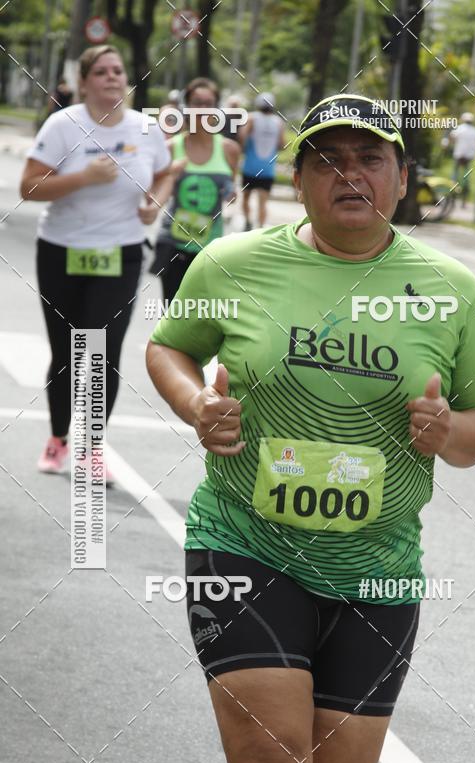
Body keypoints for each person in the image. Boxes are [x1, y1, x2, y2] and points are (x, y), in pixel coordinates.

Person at [146, 93, 475, 763]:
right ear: (297, 180)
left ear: (402, 179)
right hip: (246, 538)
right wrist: (196, 403)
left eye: (370, 158)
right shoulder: (232, 264)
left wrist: (450, 431)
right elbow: (169, 349)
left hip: (377, 564)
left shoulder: (452, 289)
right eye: (328, 160)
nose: (351, 175)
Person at [20, 44, 171, 478]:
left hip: (120, 253)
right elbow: (29, 186)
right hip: (61, 251)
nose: (112, 77)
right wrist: (83, 177)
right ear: (84, 82)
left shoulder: (146, 128)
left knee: (103, 351)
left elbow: (164, 173)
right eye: (101, 72)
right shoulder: (63, 125)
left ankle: (91, 449)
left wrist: (154, 205)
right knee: (67, 352)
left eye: (118, 70)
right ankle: (58, 438)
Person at [150, 77, 240, 302]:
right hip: (173, 242)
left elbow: (231, 191)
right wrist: (170, 173)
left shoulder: (229, 149)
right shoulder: (171, 148)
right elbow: (150, 193)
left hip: (209, 247)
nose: (202, 109)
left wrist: (231, 193)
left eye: (208, 103)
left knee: (201, 320)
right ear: (186, 107)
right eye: (196, 102)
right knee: (172, 316)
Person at [239, 91, 284, 229]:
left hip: (249, 168)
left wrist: (245, 148)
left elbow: (241, 137)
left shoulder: (252, 118)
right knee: (263, 202)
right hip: (268, 170)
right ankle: (260, 227)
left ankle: (248, 221)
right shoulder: (278, 122)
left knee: (245, 198)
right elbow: (282, 145)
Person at [449, 111, 475, 206]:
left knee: (455, 174)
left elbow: (452, 137)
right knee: (466, 176)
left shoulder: (459, 128)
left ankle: (453, 190)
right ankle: (464, 194)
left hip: (459, 154)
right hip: (469, 156)